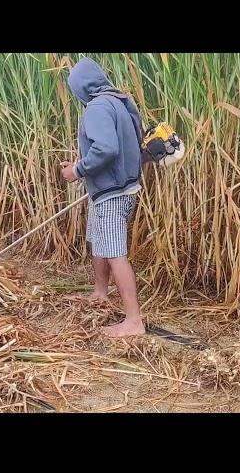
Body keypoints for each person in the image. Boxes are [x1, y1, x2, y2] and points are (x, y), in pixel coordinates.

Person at [60, 57, 146, 338]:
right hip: (119, 187)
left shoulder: (96, 107)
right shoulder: (119, 101)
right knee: (98, 238)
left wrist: (77, 169)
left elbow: (106, 149)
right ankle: (100, 292)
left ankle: (133, 321)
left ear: (80, 88)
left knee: (115, 253)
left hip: (111, 191)